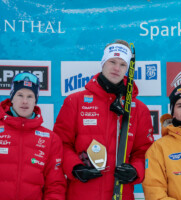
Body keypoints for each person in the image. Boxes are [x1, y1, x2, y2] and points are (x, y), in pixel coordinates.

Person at [53, 39, 154, 200]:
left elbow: (145, 151)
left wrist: (135, 170)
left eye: (122, 64)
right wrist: (74, 167)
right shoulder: (76, 101)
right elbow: (60, 143)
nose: (116, 68)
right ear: (103, 62)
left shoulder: (139, 109)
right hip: (82, 192)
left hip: (120, 193)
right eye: (112, 61)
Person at [0, 72, 66, 200]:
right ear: (12, 98)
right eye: (20, 95)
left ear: (35, 100)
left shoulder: (50, 138)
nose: (25, 101)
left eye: (30, 96)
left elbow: (55, 185)